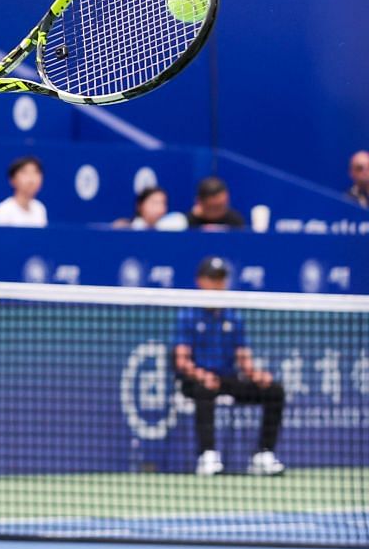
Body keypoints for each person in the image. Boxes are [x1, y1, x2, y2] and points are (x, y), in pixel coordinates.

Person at [173, 256, 284, 478]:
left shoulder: (233, 316)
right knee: (205, 392)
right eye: (213, 279)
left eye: (221, 280)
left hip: (226, 379)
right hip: (197, 380)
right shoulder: (187, 315)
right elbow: (181, 360)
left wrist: (256, 374)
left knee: (274, 390)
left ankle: (263, 455)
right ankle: (208, 455)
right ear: (200, 282)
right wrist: (201, 375)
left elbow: (242, 356)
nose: (217, 285)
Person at [0, 156, 48, 227]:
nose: (31, 179)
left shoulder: (40, 209)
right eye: (25, 173)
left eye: (36, 172)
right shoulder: (3, 211)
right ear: (12, 180)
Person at [118, 184, 187, 231]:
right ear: (140, 205)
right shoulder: (127, 228)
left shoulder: (173, 226)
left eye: (163, 203)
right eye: (155, 203)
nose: (160, 209)